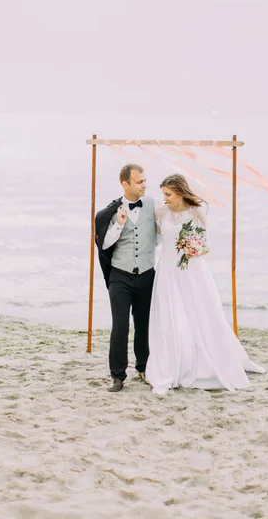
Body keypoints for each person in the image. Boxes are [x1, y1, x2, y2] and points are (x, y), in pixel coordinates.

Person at [146, 174, 265, 395]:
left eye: (168, 195)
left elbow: (206, 245)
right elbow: (157, 239)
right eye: (163, 194)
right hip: (168, 271)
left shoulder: (196, 213)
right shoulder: (161, 212)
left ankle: (214, 361)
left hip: (192, 270)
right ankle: (173, 364)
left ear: (180, 192)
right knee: (172, 316)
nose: (165, 199)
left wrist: (196, 249)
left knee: (202, 313)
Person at [95, 164, 157, 392]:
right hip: (120, 277)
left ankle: (144, 367)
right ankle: (118, 375)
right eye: (139, 181)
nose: (144, 185)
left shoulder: (152, 204)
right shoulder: (112, 211)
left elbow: (164, 229)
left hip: (146, 276)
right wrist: (119, 225)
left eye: (144, 181)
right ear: (125, 184)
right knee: (120, 326)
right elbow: (104, 244)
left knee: (144, 324)